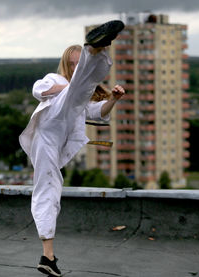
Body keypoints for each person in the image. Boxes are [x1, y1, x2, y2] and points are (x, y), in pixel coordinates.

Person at [19, 20, 125, 277]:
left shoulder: (80, 97)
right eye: (74, 64)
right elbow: (38, 90)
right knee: (77, 88)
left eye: (80, 63)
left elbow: (98, 113)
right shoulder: (55, 80)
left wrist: (113, 99)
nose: (76, 68)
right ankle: (97, 50)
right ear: (67, 65)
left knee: (50, 189)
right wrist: (74, 84)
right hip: (48, 129)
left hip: (56, 142)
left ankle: (48, 256)